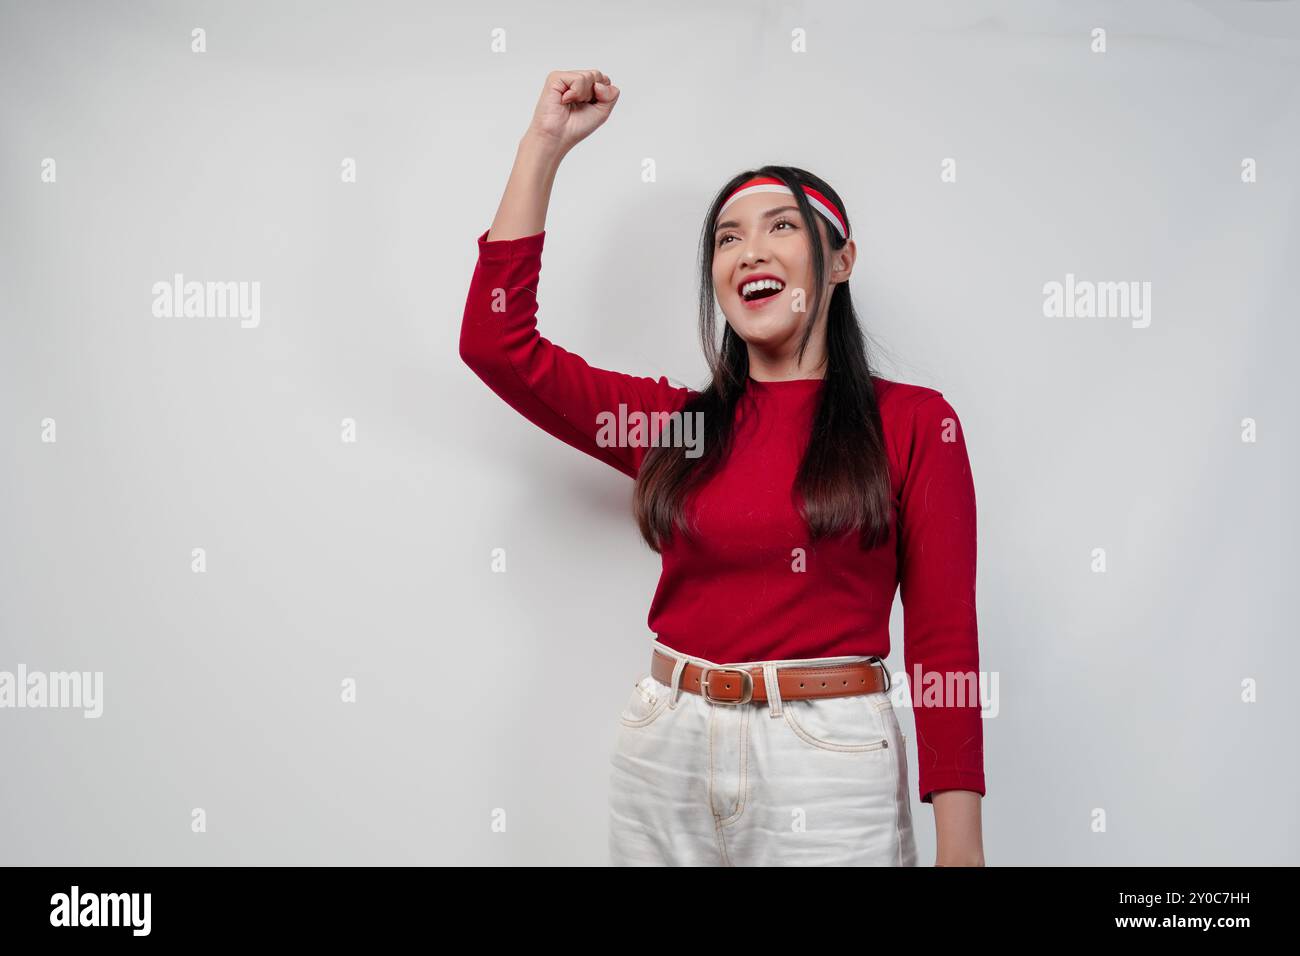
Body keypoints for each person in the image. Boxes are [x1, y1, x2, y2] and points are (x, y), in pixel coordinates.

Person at [460, 69, 986, 866]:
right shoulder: (680, 429)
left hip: (828, 763)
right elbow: (497, 347)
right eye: (727, 237)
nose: (750, 252)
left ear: (838, 262)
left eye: (780, 227)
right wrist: (544, 148)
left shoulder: (913, 423)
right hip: (665, 747)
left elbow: (945, 643)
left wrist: (962, 848)